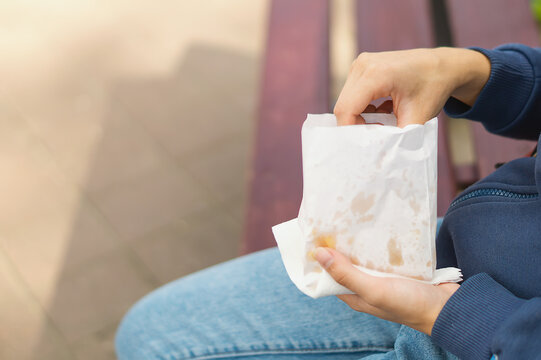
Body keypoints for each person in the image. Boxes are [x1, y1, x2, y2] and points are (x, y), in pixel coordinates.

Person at [115, 44, 541, 360]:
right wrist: (472, 71)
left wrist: (458, 318)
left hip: (486, 334)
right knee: (147, 335)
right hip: (455, 253)